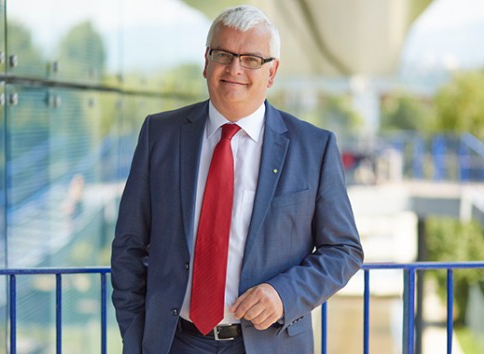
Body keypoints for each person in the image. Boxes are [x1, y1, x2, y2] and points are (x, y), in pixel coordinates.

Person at [111, 5, 364, 354]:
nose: (234, 69)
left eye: (251, 59)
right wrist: (135, 335)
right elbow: (129, 244)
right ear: (206, 61)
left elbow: (344, 251)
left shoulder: (314, 147)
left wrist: (284, 294)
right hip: (174, 342)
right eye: (223, 54)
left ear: (272, 72)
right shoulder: (161, 134)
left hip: (270, 343)